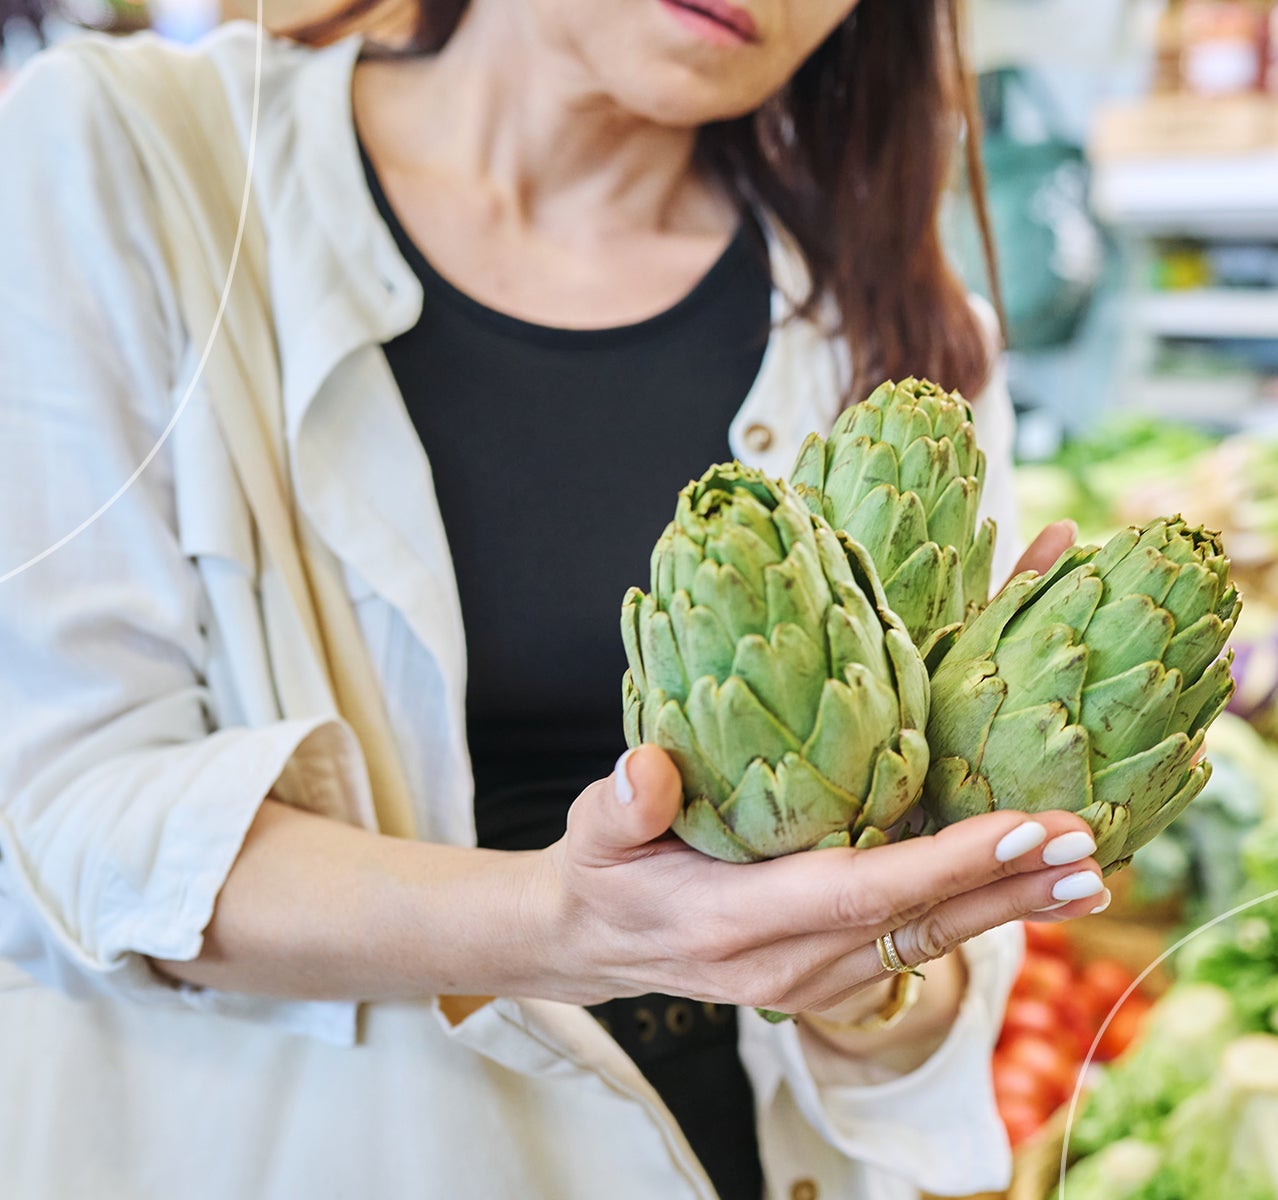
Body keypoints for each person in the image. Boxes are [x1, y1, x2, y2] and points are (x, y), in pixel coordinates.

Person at [0, 2, 1111, 1198]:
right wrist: (560, 925)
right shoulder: (130, 157)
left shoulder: (902, 340)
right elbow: (65, 806)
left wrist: (873, 967)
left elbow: (917, 1011)